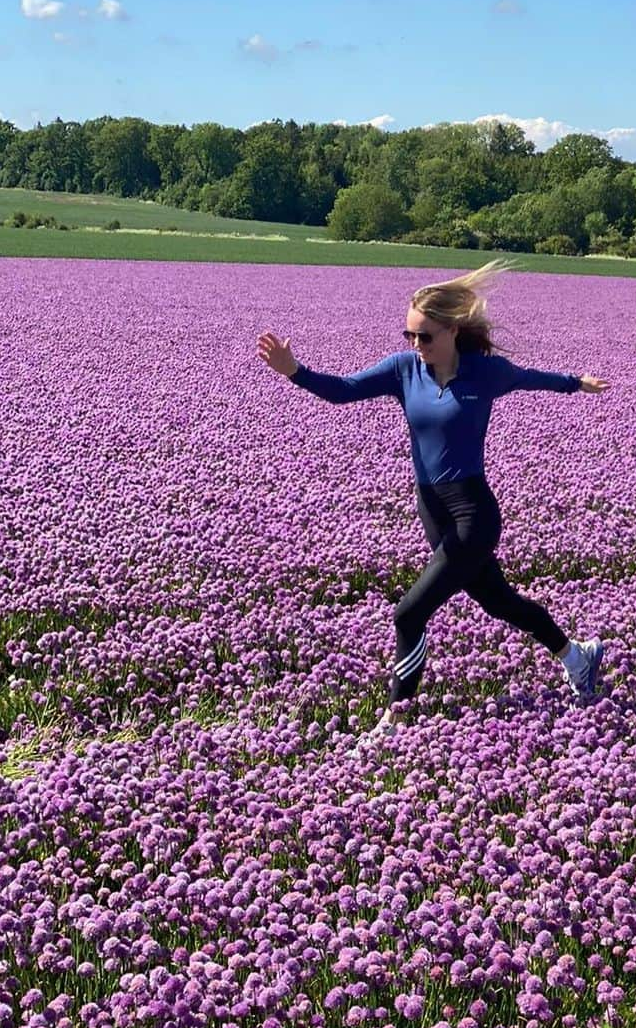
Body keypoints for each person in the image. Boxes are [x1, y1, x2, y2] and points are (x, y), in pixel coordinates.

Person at [256, 258, 610, 741]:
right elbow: (342, 391)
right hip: (433, 510)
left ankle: (395, 719)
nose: (415, 346)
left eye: (425, 336)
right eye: (410, 336)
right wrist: (294, 371)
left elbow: (531, 377)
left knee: (409, 613)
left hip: (472, 513)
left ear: (452, 331)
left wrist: (576, 383)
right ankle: (578, 656)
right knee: (499, 601)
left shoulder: (485, 373)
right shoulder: (404, 371)